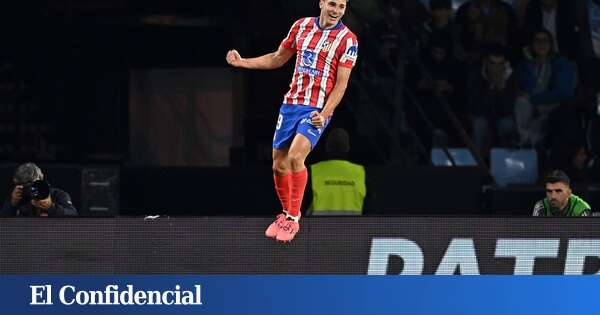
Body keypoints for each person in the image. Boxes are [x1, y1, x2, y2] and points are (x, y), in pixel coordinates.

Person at [225, 0, 358, 242]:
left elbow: (342, 84)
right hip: (291, 105)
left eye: (341, 6)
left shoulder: (348, 40)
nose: (336, 10)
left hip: (316, 109)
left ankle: (294, 218)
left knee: (296, 156)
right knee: (278, 165)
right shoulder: (301, 26)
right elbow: (277, 58)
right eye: (332, 4)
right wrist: (242, 62)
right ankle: (286, 214)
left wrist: (325, 112)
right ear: (321, 3)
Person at [308, 128, 366, 215]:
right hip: (352, 227)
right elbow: (369, 208)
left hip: (320, 227)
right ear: (347, 148)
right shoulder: (361, 172)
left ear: (327, 147)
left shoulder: (312, 171)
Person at [0, 163, 78, 217]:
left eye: (34, 184)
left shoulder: (57, 195)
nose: (31, 189)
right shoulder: (18, 197)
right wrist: (12, 205)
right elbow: (3, 226)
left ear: (41, 179)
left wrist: (51, 207)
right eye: (26, 186)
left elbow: (74, 216)